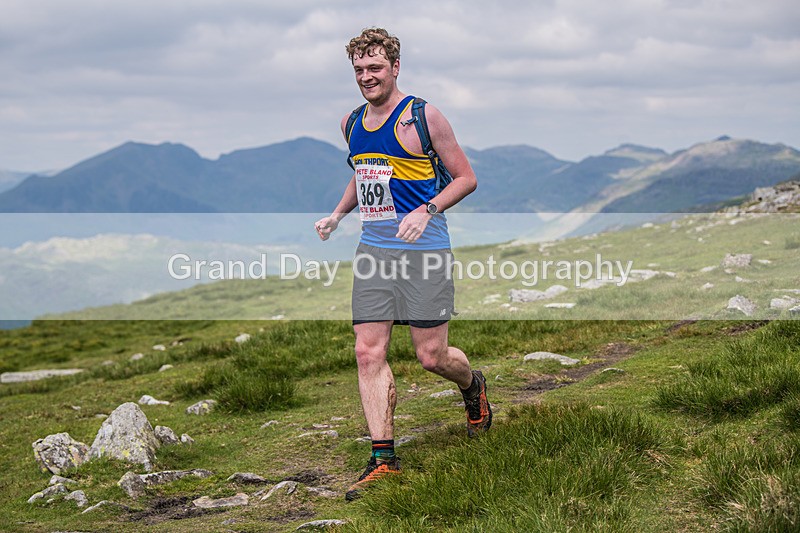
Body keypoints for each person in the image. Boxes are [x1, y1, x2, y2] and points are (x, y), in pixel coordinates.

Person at [314, 27, 491, 502]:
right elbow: (364, 174)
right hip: (374, 253)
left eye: (375, 68)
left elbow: (466, 178)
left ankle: (473, 386)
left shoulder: (422, 116)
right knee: (367, 352)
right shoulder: (352, 122)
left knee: (431, 356)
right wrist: (336, 214)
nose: (367, 77)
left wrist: (425, 209)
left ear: (395, 67)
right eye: (358, 70)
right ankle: (383, 459)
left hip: (424, 250)